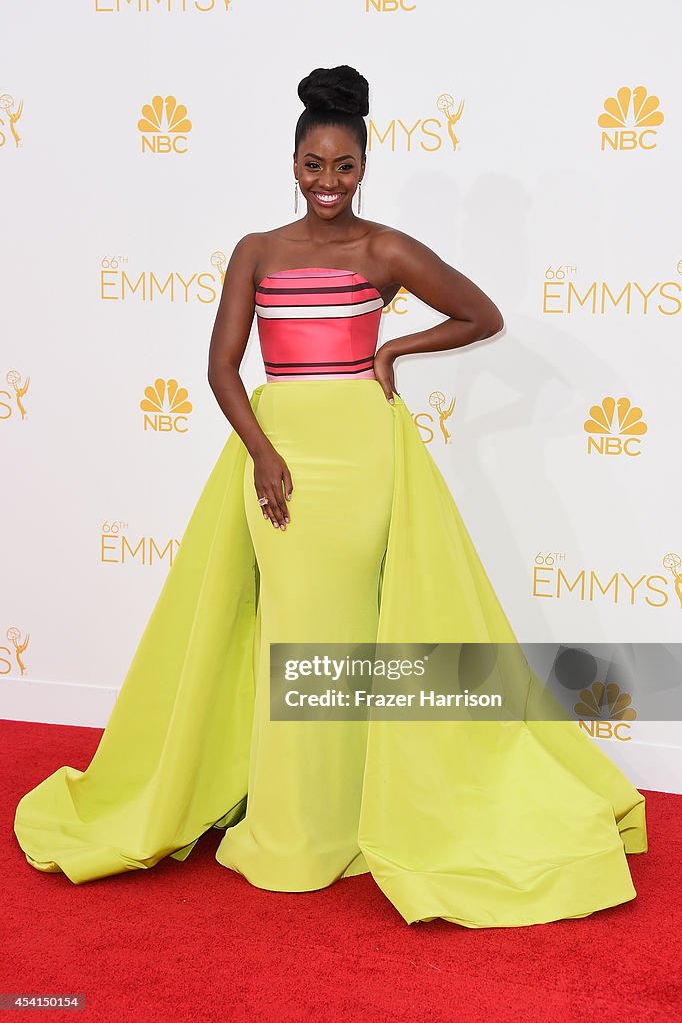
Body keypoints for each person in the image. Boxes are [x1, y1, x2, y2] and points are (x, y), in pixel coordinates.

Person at [14, 65, 647, 929]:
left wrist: (392, 354)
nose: (328, 183)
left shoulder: (382, 250)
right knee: (287, 630)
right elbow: (220, 369)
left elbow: (482, 315)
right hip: (279, 460)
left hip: (362, 460)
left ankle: (343, 819)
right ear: (293, 162)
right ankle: (291, 823)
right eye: (314, 165)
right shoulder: (257, 251)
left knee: (341, 641)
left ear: (364, 166)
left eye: (344, 167)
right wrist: (264, 455)